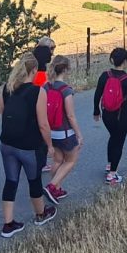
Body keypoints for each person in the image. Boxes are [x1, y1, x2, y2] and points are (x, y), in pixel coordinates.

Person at [0, 57, 56, 238]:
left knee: (11, 180)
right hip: (29, 146)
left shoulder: (5, 90)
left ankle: (8, 224)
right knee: (34, 180)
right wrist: (50, 146)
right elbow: (43, 124)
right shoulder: (38, 92)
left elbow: (3, 115)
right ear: (33, 72)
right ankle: (40, 214)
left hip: (7, 143)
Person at [92, 48, 127, 185]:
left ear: (112, 60)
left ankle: (109, 165)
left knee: (113, 137)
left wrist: (96, 110)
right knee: (119, 142)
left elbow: (97, 94)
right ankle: (112, 175)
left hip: (106, 115)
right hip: (122, 116)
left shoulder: (105, 75)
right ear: (125, 61)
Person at [43, 56, 83, 204]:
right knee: (71, 160)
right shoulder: (66, 90)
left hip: (51, 132)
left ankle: (57, 189)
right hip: (65, 133)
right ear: (66, 69)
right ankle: (52, 186)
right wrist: (79, 135)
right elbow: (71, 116)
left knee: (58, 159)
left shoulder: (45, 87)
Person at [30, 41, 56, 173]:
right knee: (42, 139)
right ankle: (41, 164)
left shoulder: (32, 73)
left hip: (30, 108)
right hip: (41, 108)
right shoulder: (44, 76)